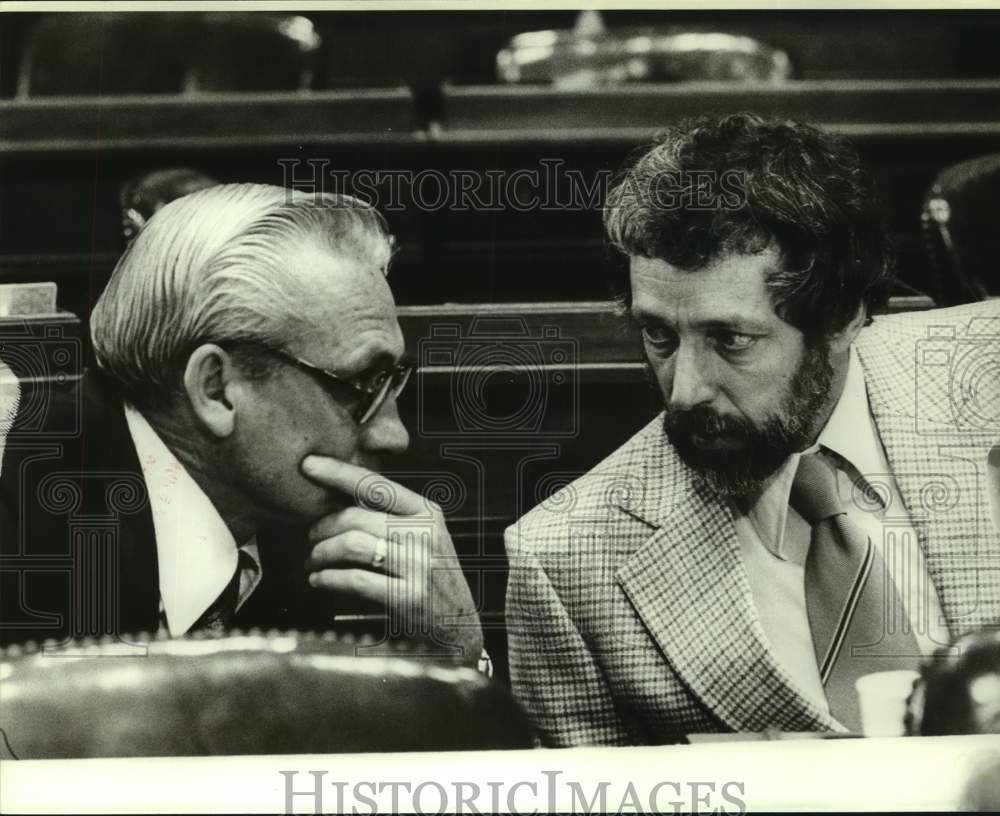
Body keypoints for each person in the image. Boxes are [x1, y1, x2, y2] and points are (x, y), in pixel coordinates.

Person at [505, 113, 1000, 745]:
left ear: (844, 317)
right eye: (658, 336)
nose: (683, 392)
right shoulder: (568, 560)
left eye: (730, 339)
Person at [0, 184, 484, 666]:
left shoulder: (307, 517)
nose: (394, 435)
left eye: (390, 382)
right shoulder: (18, 505)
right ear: (215, 389)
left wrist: (457, 662)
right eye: (361, 383)